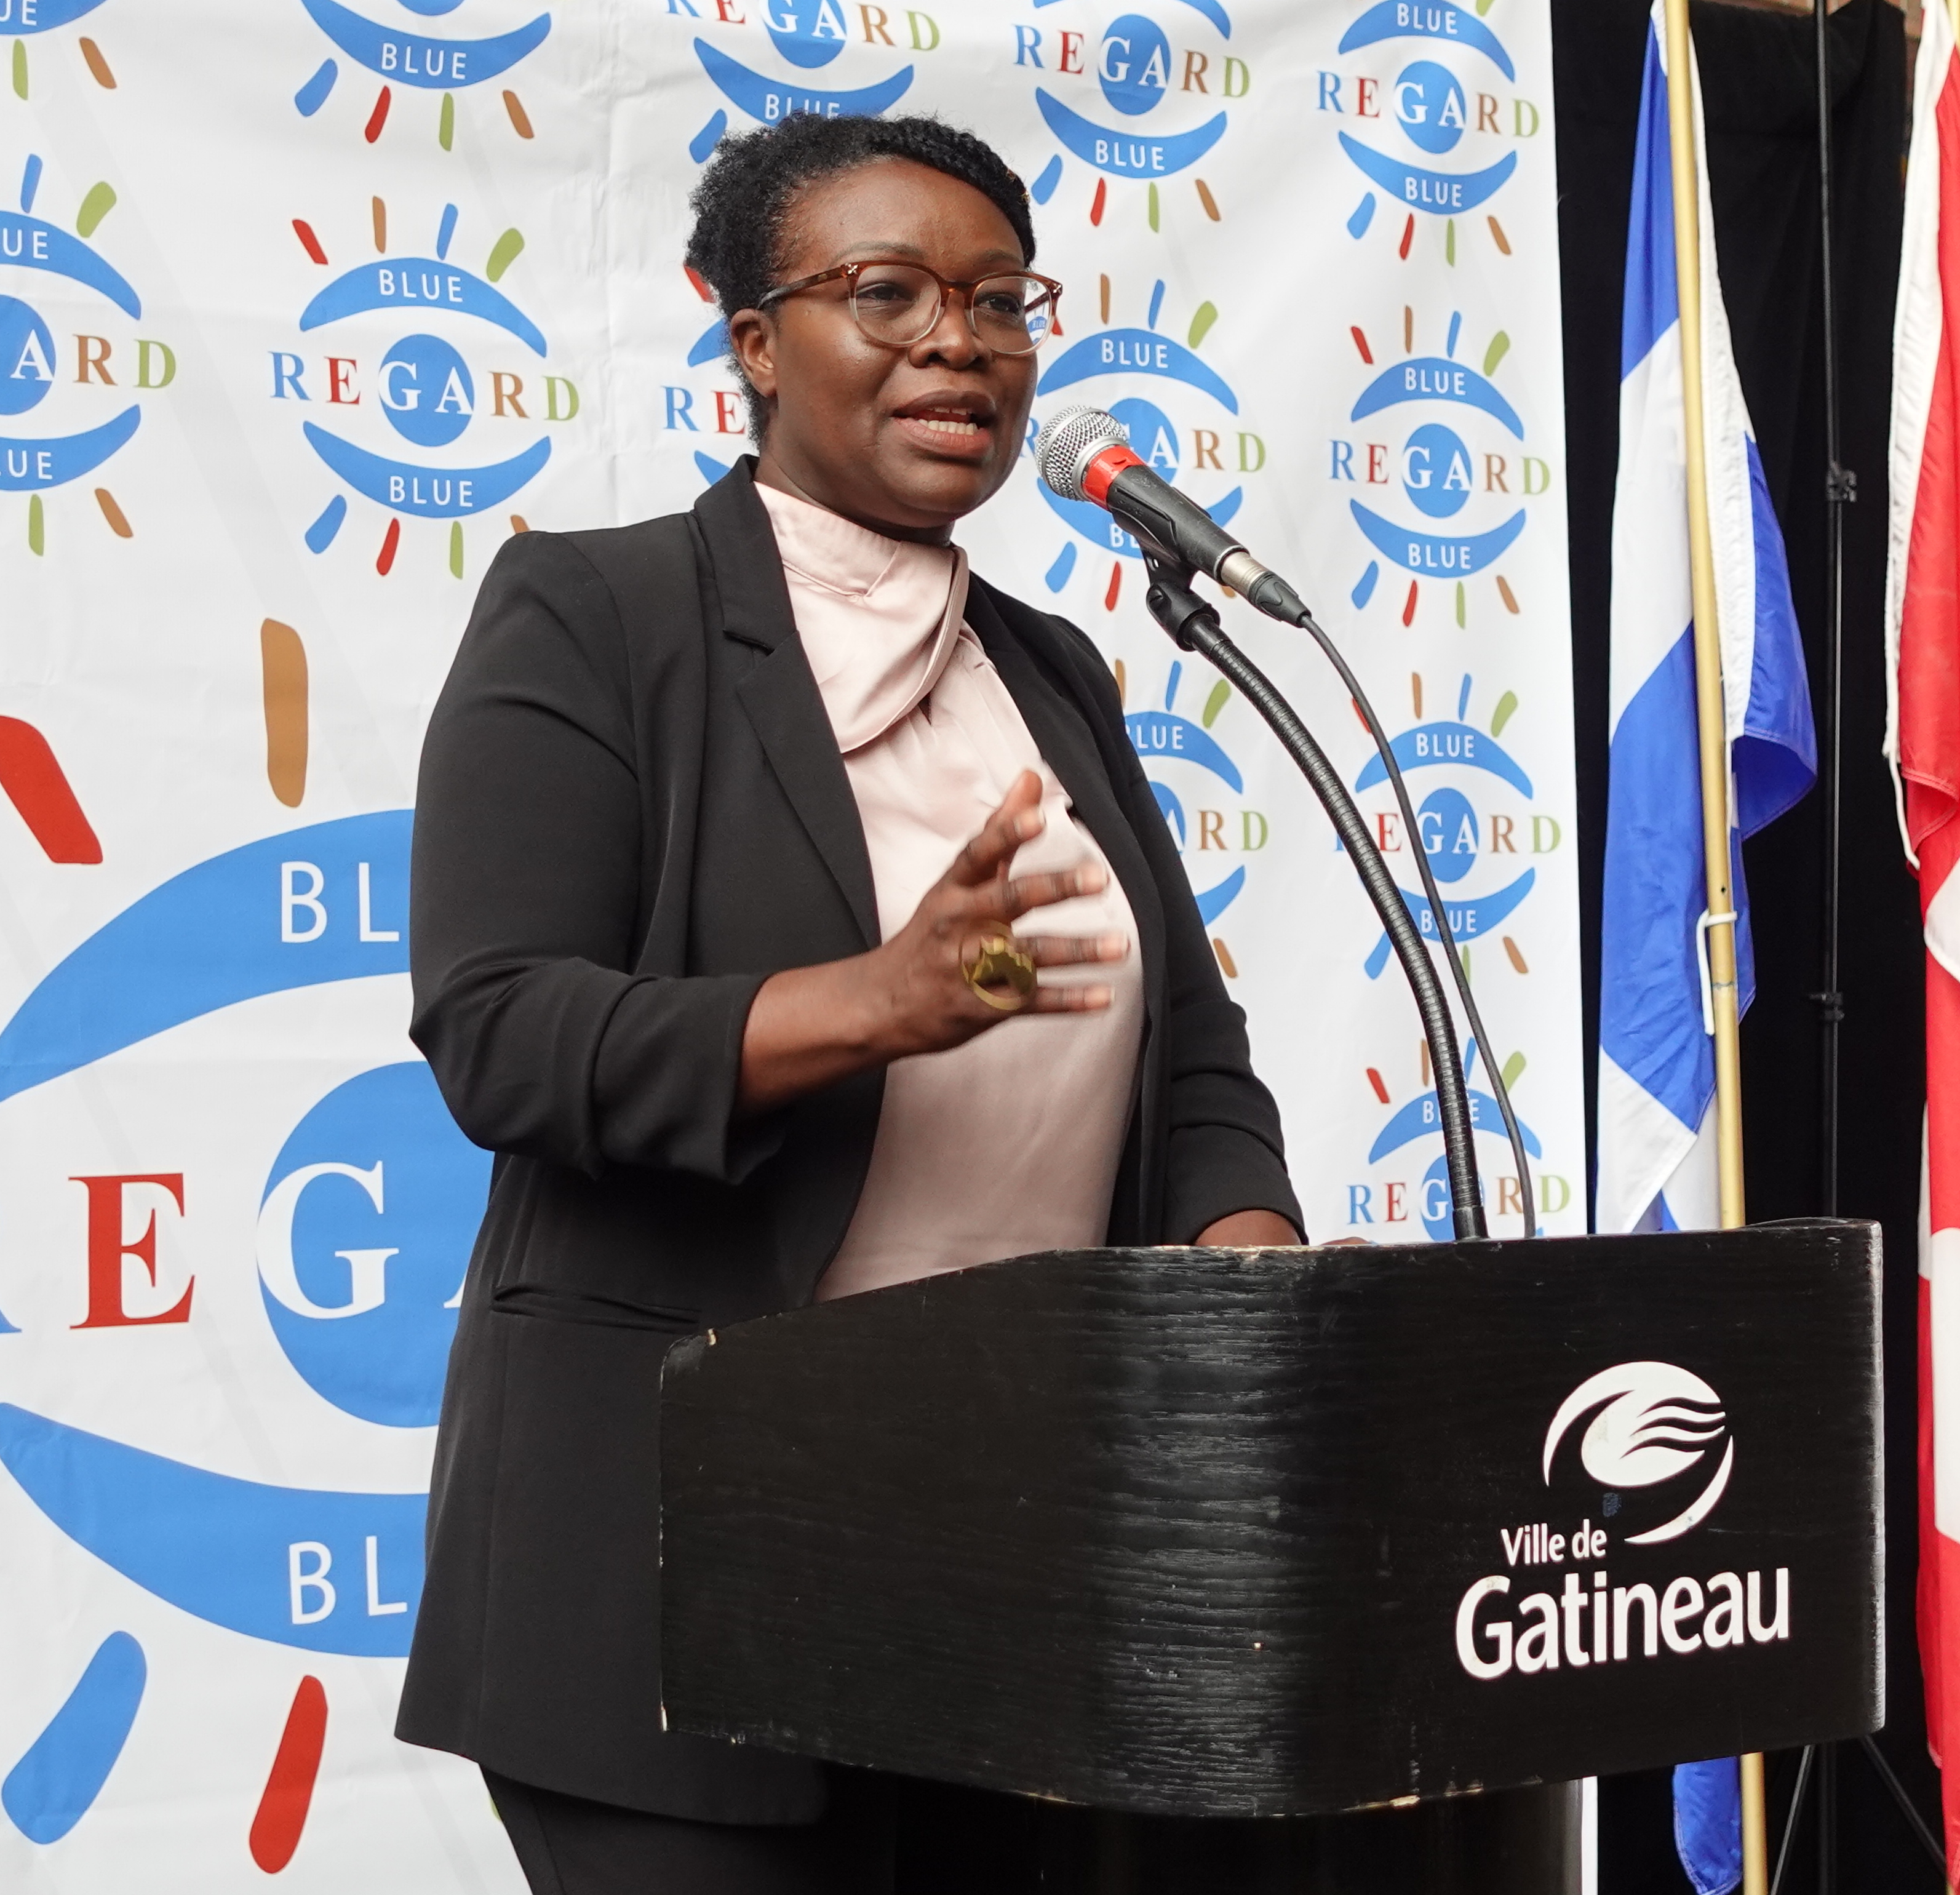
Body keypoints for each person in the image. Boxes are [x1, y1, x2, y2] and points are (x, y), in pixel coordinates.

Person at [395, 112, 1305, 1895]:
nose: (959, 342)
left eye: (1000, 301)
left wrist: (1251, 1264)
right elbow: (500, 1030)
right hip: (676, 1559)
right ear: (756, 342)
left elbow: (1191, 1053)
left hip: (1020, 1549)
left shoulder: (1052, 670)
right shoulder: (600, 614)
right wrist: (872, 1005)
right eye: (886, 293)